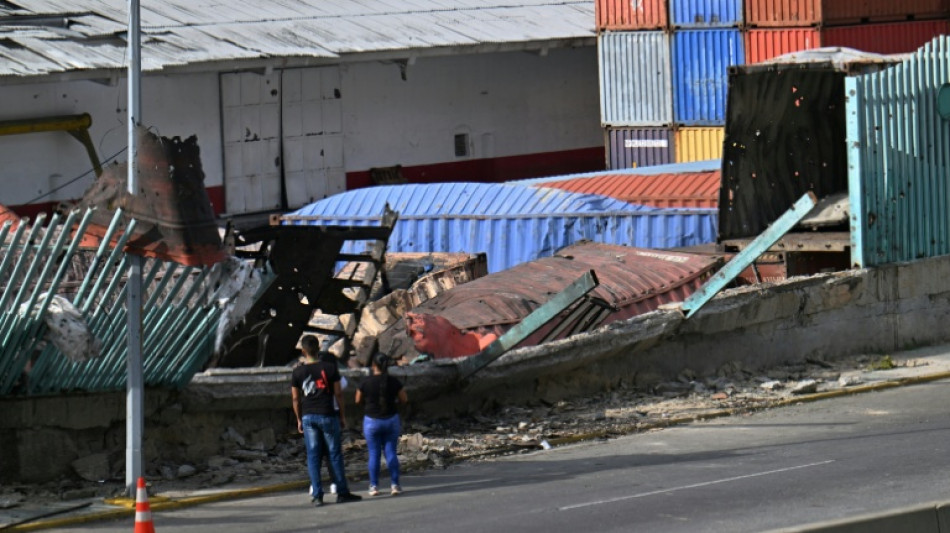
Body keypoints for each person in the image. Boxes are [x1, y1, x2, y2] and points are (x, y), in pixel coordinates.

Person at [291, 335, 362, 506]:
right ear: (318, 349)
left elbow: (295, 399)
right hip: (328, 414)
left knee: (313, 456)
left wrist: (299, 419)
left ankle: (317, 495)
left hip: (308, 416)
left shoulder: (297, 372)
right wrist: (342, 415)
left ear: (303, 351)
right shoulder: (329, 368)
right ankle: (342, 492)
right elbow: (338, 394)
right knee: (334, 454)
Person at [355, 352, 409, 496]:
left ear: (373, 366)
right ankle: (395, 485)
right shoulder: (394, 382)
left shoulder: (366, 382)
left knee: (374, 454)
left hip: (372, 421)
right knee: (391, 452)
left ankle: (374, 486)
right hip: (391, 420)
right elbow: (404, 399)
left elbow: (357, 400)